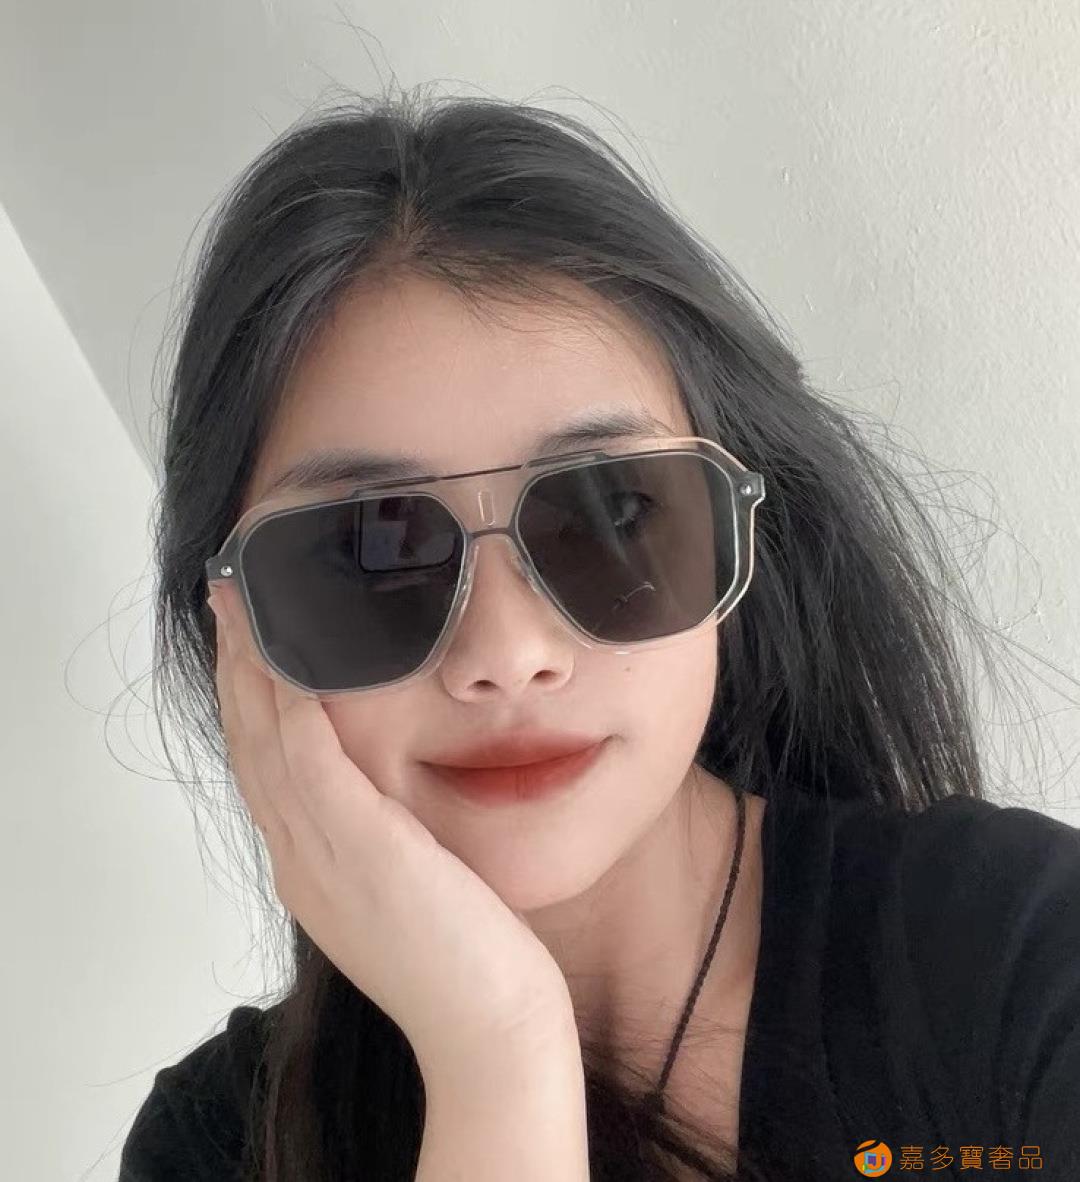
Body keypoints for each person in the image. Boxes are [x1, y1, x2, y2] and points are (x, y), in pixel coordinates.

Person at [119, 88, 1080, 1181]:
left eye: (610, 509)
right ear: (233, 625)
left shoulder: (1023, 958)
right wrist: (494, 1060)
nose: (506, 654)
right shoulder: (214, 1148)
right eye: (371, 549)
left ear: (741, 529)